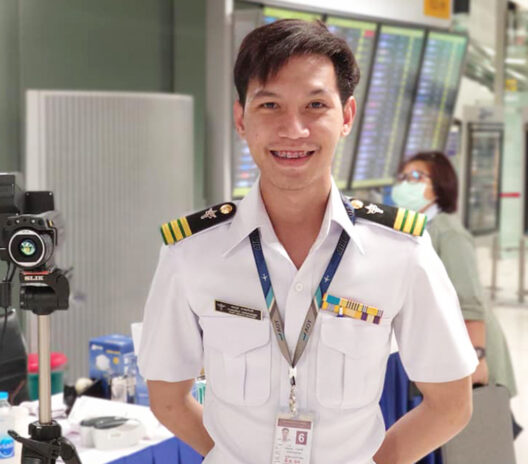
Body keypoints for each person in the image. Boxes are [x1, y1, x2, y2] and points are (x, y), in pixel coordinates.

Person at [138, 19, 477, 464]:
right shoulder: (191, 252)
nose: (293, 129)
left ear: (347, 117)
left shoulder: (401, 250)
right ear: (241, 119)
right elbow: (167, 398)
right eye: (270, 105)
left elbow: (451, 404)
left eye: (315, 104)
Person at [393, 151, 518, 399]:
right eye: (403, 177)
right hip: (447, 348)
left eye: (417, 177)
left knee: (482, 429)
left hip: (472, 351)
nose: (407, 184)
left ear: (440, 185)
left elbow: (470, 300)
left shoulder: (448, 232)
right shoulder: (421, 228)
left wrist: (478, 357)